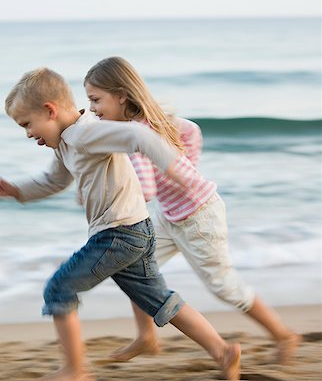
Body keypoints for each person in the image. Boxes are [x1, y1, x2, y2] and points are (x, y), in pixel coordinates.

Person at [0, 67, 241, 381]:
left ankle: (75, 369)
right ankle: (222, 351)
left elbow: (137, 134)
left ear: (50, 111)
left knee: (59, 288)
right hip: (135, 229)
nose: (27, 133)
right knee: (158, 299)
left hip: (118, 233)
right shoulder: (66, 141)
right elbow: (55, 180)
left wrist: (175, 167)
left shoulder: (87, 132)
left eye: (27, 124)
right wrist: (17, 190)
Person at [83, 56, 301, 366]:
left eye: (96, 99)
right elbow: (191, 129)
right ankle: (146, 337)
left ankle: (283, 335)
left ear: (121, 95)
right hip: (171, 215)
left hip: (199, 218)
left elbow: (146, 190)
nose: (92, 108)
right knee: (132, 266)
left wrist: (115, 189)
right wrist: (184, 169)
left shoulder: (135, 136)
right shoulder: (150, 123)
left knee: (224, 287)